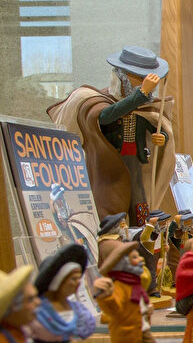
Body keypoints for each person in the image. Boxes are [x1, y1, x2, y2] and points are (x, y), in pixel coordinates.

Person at [47, 46, 174, 226]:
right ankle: (113, 230)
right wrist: (141, 94)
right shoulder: (101, 100)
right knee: (111, 199)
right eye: (139, 78)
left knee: (138, 198)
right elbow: (105, 116)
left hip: (134, 159)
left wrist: (162, 136)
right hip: (109, 163)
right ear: (123, 76)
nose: (145, 83)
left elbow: (155, 125)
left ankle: (140, 229)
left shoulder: (143, 106)